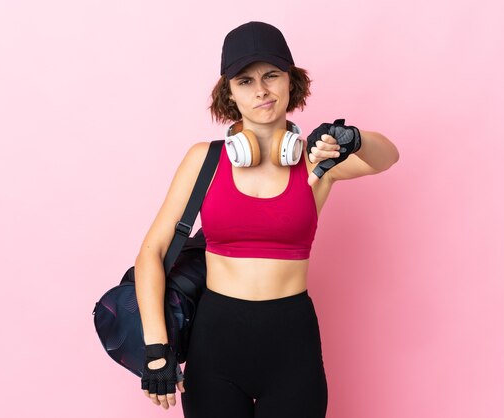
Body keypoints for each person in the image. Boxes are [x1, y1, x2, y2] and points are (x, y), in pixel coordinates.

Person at [134, 21, 399, 418]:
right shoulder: (204, 160)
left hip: (293, 348)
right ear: (230, 93)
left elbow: (388, 158)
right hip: (216, 346)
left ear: (291, 81)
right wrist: (156, 348)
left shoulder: (315, 160)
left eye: (271, 75)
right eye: (245, 81)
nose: (260, 90)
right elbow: (151, 253)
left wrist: (355, 138)